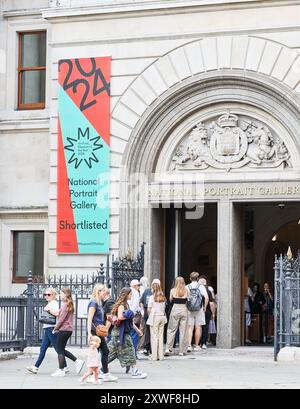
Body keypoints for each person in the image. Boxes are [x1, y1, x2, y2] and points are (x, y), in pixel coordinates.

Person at [26, 288, 68, 374]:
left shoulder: (54, 303)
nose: (46, 296)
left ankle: (73, 362)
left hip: (51, 328)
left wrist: (49, 310)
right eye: (45, 294)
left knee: (58, 349)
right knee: (44, 348)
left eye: (49, 295)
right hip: (47, 328)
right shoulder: (50, 303)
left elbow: (57, 313)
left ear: (53, 295)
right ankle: (36, 367)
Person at [108, 287, 147, 379]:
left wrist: (137, 330)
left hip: (122, 332)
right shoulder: (121, 305)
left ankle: (100, 370)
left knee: (112, 353)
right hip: (120, 332)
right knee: (130, 351)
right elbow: (120, 317)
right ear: (126, 295)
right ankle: (135, 371)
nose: (131, 296)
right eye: (130, 294)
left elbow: (130, 321)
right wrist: (130, 314)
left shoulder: (126, 305)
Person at [87, 284, 118, 382]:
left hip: (99, 331)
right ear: (99, 292)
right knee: (96, 353)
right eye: (103, 291)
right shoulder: (93, 303)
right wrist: (89, 333)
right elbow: (89, 319)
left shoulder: (98, 303)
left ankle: (104, 373)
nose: (105, 292)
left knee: (105, 351)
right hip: (95, 331)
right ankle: (93, 375)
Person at [51, 288, 84, 377]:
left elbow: (61, 319)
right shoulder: (69, 304)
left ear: (66, 294)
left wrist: (56, 328)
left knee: (59, 350)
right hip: (67, 329)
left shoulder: (65, 305)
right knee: (61, 349)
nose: (60, 295)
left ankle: (61, 370)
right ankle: (76, 362)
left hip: (64, 329)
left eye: (61, 293)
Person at [165, 276, 189, 356]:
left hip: (175, 309)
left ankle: (168, 348)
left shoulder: (172, 290)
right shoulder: (186, 290)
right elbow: (188, 300)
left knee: (171, 329)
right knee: (183, 331)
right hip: (184, 309)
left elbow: (170, 300)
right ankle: (182, 351)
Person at [186, 272, 209, 352]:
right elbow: (206, 298)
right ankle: (196, 345)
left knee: (190, 327)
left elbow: (185, 298)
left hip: (189, 309)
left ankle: (189, 345)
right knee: (198, 327)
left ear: (190, 278)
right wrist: (205, 307)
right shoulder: (201, 287)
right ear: (198, 278)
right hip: (199, 309)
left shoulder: (187, 287)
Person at [147, 279, 167, 361]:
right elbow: (164, 307)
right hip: (162, 316)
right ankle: (161, 356)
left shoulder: (152, 297)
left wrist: (149, 316)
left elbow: (149, 309)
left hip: (155, 316)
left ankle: (154, 356)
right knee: (160, 336)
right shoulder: (163, 296)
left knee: (154, 336)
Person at [199, 277, 216, 350]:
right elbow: (211, 304)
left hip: (197, 311)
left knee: (198, 327)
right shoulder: (208, 291)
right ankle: (203, 343)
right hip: (207, 311)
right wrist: (213, 313)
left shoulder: (196, 290)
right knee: (205, 327)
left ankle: (197, 343)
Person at [128, 279, 142, 353]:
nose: (139, 287)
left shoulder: (128, 291)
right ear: (134, 286)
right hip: (134, 315)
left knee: (129, 334)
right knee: (134, 334)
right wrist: (132, 314)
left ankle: (129, 352)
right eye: (138, 285)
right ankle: (133, 352)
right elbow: (136, 304)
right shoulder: (136, 292)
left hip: (127, 314)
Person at [140, 277, 153, 356]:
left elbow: (141, 302)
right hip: (150, 312)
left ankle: (148, 347)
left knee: (147, 330)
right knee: (150, 331)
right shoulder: (147, 291)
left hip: (147, 312)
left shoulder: (147, 291)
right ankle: (149, 348)